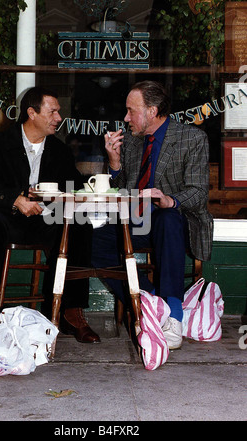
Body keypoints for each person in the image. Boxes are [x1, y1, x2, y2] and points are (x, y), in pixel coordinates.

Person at [0, 86, 100, 344]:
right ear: (31, 113)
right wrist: (14, 199)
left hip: (44, 220)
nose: (58, 118)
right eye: (53, 112)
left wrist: (112, 166)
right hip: (7, 218)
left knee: (79, 223)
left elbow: (74, 188)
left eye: (58, 112)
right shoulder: (0, 145)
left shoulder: (59, 151)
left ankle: (71, 311)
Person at [91, 80, 213, 349]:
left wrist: (170, 199)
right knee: (90, 239)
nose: (125, 118)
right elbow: (122, 192)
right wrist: (113, 163)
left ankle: (174, 316)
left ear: (152, 111)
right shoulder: (133, 143)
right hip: (135, 220)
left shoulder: (191, 138)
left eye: (131, 111)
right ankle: (150, 299)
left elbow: (199, 192)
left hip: (175, 220)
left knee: (167, 219)